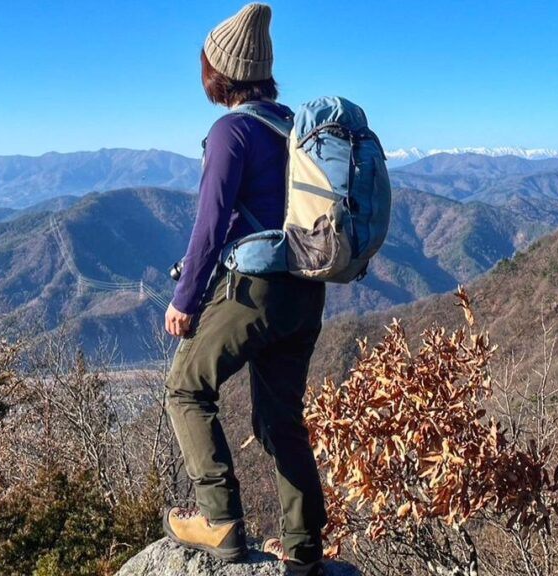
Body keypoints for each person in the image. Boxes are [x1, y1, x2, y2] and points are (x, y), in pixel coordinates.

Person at [161, 3, 327, 573]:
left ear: (219, 73)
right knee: (280, 419)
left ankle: (220, 521)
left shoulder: (232, 131)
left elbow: (211, 224)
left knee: (185, 388)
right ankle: (305, 553)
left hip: (255, 290)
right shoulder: (293, 130)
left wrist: (185, 301)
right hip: (307, 291)